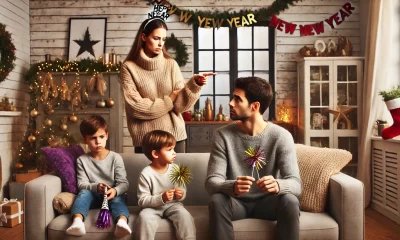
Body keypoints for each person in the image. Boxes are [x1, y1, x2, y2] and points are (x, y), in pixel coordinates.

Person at [205, 77, 302, 240]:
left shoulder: (281, 136)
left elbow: (296, 184)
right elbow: (211, 182)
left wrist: (278, 185)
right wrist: (233, 186)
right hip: (236, 203)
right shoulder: (222, 135)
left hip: (269, 204)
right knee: (217, 201)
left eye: (237, 99)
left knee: (290, 201)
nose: (230, 103)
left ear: (255, 106)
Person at [120, 15, 215, 153]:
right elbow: (136, 108)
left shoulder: (171, 64)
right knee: (147, 175)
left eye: (163, 39)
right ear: (144, 37)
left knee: (177, 175)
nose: (160, 44)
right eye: (156, 38)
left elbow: (179, 107)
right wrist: (169, 100)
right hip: (146, 140)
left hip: (175, 138)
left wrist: (194, 85)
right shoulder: (129, 67)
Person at [66, 116, 131, 238]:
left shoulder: (115, 158)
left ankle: (122, 223)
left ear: (106, 135)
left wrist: (115, 191)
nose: (98, 142)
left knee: (118, 199)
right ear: (85, 140)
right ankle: (77, 222)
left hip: (111, 195)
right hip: (93, 196)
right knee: (84, 193)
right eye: (92, 138)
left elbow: (124, 184)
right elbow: (81, 184)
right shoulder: (82, 160)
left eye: (101, 137)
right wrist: (96, 186)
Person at [135, 130, 196, 240]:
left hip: (173, 205)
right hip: (152, 208)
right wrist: (161, 198)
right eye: (169, 150)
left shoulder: (176, 169)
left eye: (173, 149)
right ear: (155, 154)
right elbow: (142, 201)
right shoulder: (146, 174)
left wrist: (180, 194)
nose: (174, 153)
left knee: (185, 216)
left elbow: (182, 190)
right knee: (144, 217)